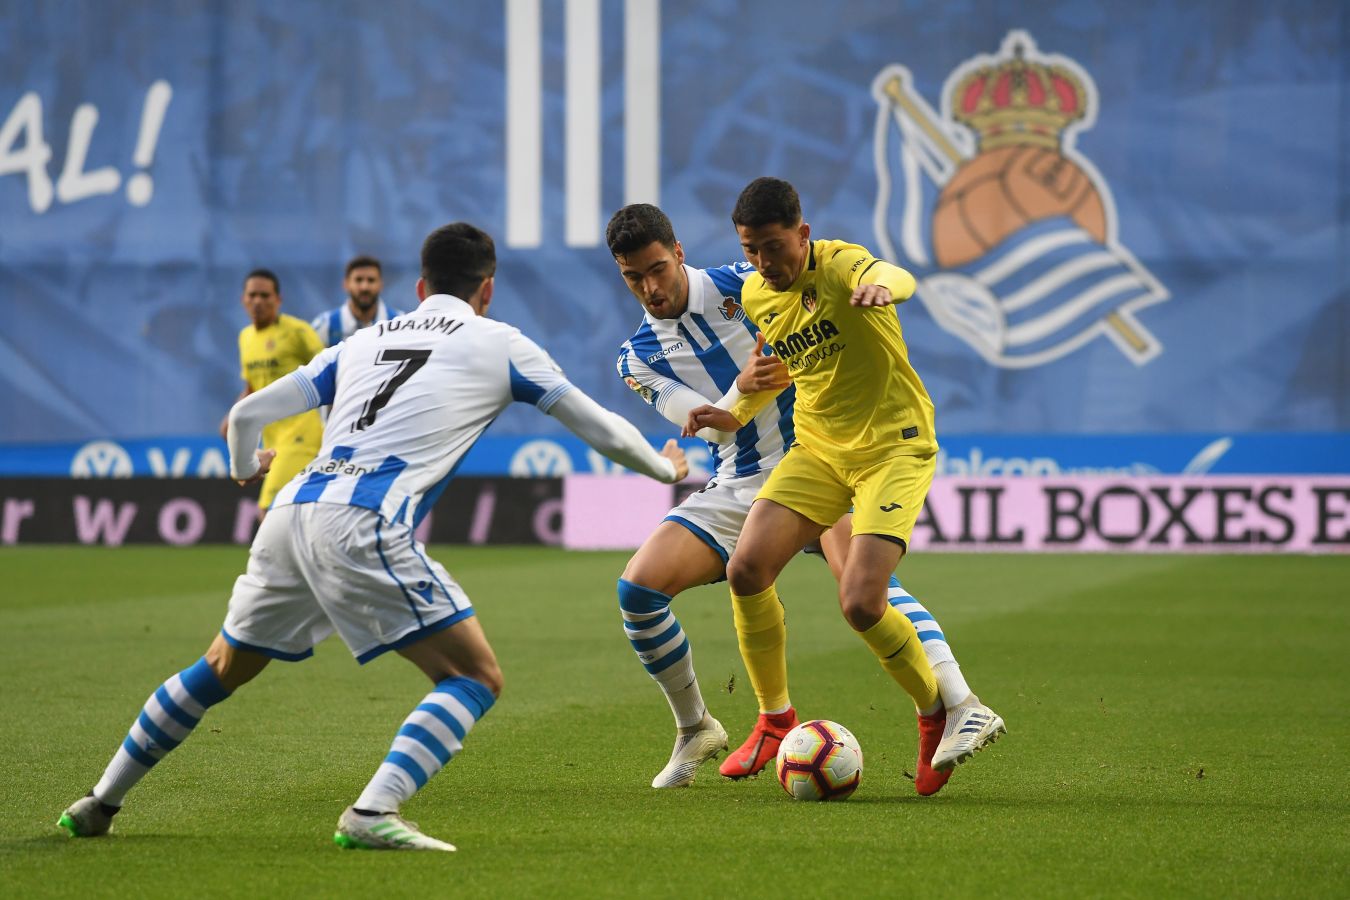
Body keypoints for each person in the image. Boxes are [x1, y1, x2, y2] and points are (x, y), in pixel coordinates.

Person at [59, 222, 688, 852]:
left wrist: (243, 466)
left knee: (220, 666)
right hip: (366, 518)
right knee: (474, 676)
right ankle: (372, 811)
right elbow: (597, 425)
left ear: (419, 286)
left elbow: (249, 413)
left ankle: (99, 799)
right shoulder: (499, 342)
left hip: (293, 510)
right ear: (487, 290)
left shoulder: (360, 343)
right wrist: (666, 470)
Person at [609, 203, 988, 795]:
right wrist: (742, 386)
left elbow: (837, 300)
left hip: (818, 457)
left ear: (679, 252)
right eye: (634, 277)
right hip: (737, 481)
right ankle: (698, 727)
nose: (651, 287)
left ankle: (954, 701)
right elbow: (708, 425)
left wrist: (877, 290)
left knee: (864, 591)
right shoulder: (636, 358)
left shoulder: (751, 281)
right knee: (638, 590)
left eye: (658, 268)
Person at [220, 269, 325, 519]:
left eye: (265, 295)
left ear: (278, 299)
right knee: (295, 514)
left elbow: (330, 371)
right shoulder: (246, 338)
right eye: (252, 295)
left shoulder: (298, 332)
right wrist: (231, 419)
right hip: (271, 438)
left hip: (302, 434)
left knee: (269, 510)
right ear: (243, 300)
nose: (258, 301)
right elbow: (252, 388)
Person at [311, 255, 405, 347]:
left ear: (381, 285)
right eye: (358, 280)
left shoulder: (401, 323)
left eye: (371, 280)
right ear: (346, 284)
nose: (364, 287)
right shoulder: (325, 326)